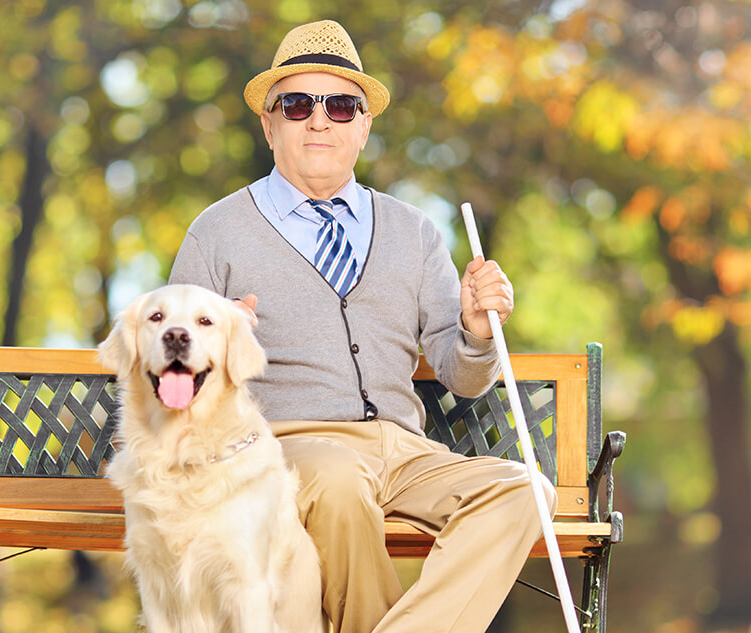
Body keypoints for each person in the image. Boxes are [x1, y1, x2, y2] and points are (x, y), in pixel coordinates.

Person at [168, 19, 556, 633]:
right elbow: (169, 377)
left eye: (341, 105)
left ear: (364, 125)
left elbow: (464, 376)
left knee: (526, 489)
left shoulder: (415, 231)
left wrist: (478, 330)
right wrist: (214, 348)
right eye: (297, 104)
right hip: (282, 445)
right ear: (269, 124)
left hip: (403, 450)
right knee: (337, 475)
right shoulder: (217, 231)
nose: (319, 120)